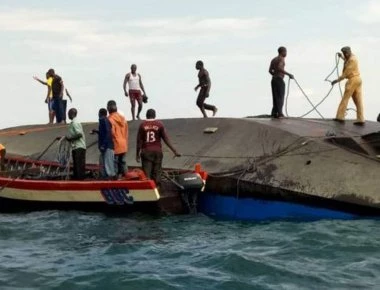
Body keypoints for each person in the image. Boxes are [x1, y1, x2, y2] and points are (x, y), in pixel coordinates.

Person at [136, 108, 181, 186]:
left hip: (146, 152)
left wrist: (137, 154)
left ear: (146, 116)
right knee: (157, 172)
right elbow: (166, 139)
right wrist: (175, 151)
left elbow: (139, 141)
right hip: (157, 152)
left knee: (147, 174)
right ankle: (158, 188)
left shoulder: (142, 125)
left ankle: (149, 190)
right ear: (155, 115)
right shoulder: (159, 125)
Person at [331, 46, 364, 125]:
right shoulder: (352, 57)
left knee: (345, 98)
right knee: (358, 101)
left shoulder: (352, 60)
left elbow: (346, 73)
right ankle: (360, 119)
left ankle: (340, 116)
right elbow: (347, 61)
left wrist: (337, 80)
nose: (344, 55)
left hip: (352, 80)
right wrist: (341, 57)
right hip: (358, 79)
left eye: (344, 54)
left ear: (347, 52)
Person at [268, 46, 294, 118]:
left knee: (275, 96)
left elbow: (270, 70)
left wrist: (275, 75)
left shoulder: (273, 59)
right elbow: (279, 68)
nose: (286, 53)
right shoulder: (281, 59)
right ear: (282, 52)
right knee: (280, 96)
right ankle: (280, 113)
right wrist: (289, 74)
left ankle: (274, 112)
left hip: (274, 80)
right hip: (279, 80)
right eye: (285, 52)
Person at [91, 108, 115, 179]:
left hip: (107, 146)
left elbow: (108, 133)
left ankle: (110, 178)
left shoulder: (103, 120)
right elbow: (104, 133)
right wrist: (97, 131)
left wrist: (103, 145)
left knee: (108, 164)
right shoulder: (107, 121)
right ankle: (105, 177)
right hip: (107, 146)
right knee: (103, 162)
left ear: (100, 113)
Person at [107, 100, 128, 178]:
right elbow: (126, 132)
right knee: (123, 162)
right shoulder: (123, 119)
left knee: (114, 163)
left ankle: (115, 180)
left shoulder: (109, 119)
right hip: (123, 144)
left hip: (115, 144)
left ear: (108, 108)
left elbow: (111, 133)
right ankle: (127, 177)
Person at [65, 108, 86, 180]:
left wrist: (70, 138)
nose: (68, 115)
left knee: (78, 165)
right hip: (76, 147)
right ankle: (78, 179)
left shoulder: (75, 123)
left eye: (68, 114)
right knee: (77, 165)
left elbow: (79, 134)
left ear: (72, 114)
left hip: (78, 147)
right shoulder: (73, 123)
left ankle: (79, 180)